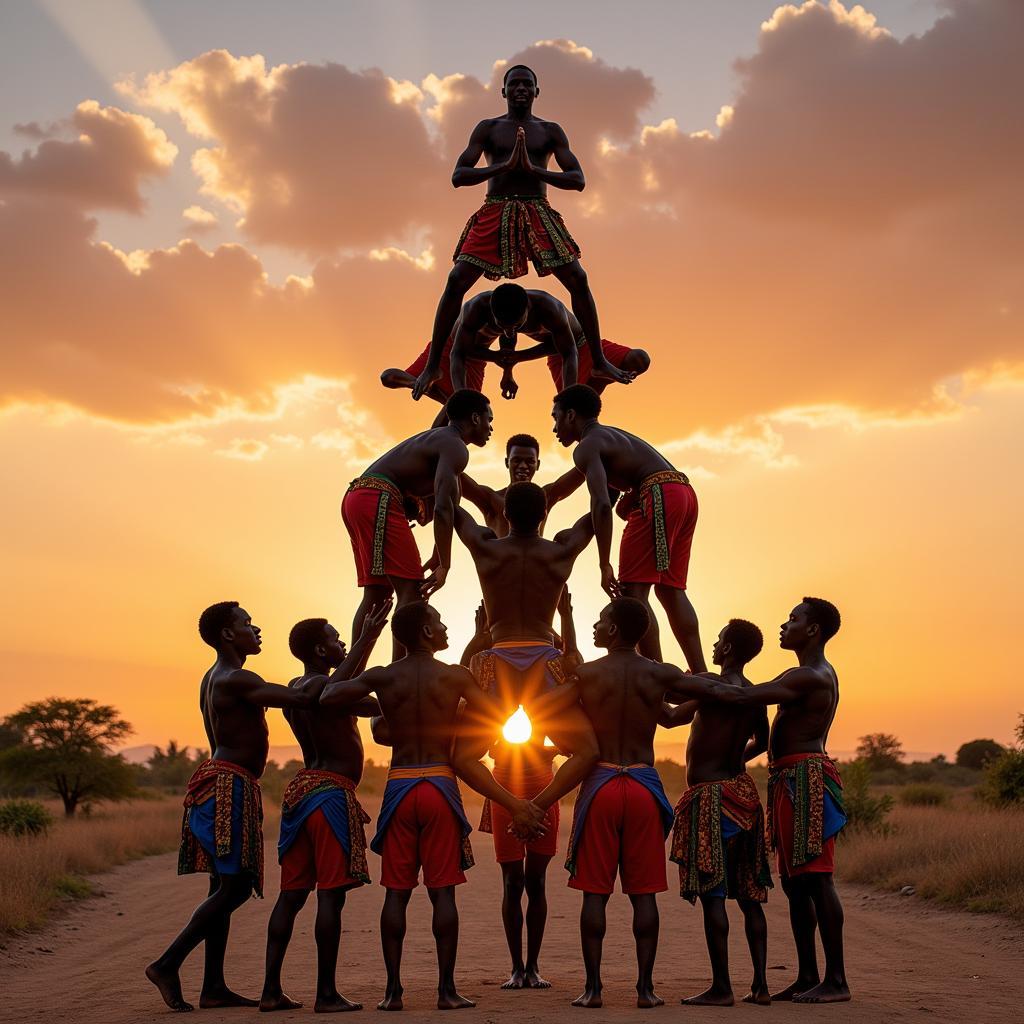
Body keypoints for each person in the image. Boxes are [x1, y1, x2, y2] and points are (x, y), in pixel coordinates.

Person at [319, 603, 548, 1011]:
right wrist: (460, 711)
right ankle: (445, 991)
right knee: (443, 893)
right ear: (426, 631)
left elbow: (330, 694)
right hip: (440, 785)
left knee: (397, 892)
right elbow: (497, 711)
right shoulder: (454, 677)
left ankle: (392, 993)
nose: (444, 628)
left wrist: (366, 641)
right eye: (440, 623)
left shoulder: (384, 676)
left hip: (400, 786)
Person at [411, 64, 633, 401]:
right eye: (513, 84)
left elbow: (578, 179)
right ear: (503, 91)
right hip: (496, 207)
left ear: (536, 91)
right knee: (456, 281)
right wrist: (502, 167)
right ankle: (432, 366)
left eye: (527, 84)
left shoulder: (550, 131)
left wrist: (533, 170)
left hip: (537, 209)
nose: (520, 89)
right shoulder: (488, 128)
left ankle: (599, 360)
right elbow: (459, 175)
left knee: (578, 279)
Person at [146, 602, 326, 1013]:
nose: (256, 628)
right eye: (247, 624)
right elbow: (300, 697)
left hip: (219, 782)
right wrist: (357, 652)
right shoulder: (236, 678)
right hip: (229, 786)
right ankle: (167, 963)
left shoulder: (212, 677)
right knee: (236, 886)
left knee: (221, 886)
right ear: (227, 635)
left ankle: (213, 987)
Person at [454, 482, 600, 988]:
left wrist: (449, 462)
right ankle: (530, 968)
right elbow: (600, 514)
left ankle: (519, 969)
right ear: (544, 514)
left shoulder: (487, 548)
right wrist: (603, 472)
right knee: (586, 747)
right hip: (544, 656)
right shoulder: (560, 548)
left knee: (466, 752)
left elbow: (452, 507)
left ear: (502, 512)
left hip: (498, 655)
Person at [557, 599, 727, 1009]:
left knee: (594, 895)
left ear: (614, 630)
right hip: (643, 785)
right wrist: (724, 689)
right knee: (643, 894)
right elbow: (696, 701)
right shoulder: (659, 674)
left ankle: (593, 989)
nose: (597, 627)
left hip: (600, 784)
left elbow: (552, 706)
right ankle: (645, 990)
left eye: (601, 621)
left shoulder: (588, 674)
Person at [708, 598, 849, 1004]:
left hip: (806, 778)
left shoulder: (812, 676)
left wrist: (690, 681)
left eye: (794, 620)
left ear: (814, 630)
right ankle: (808, 975)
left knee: (818, 878)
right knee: (794, 882)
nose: (784, 626)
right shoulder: (805, 672)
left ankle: (836, 979)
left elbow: (744, 699)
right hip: (789, 779)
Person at [260, 603, 391, 1013]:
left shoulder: (300, 689)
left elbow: (360, 695)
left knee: (291, 896)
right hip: (330, 796)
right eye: (336, 639)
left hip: (300, 794)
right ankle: (327, 994)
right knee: (329, 899)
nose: (343, 643)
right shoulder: (319, 689)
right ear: (319, 650)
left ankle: (270, 992)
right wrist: (369, 638)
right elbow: (344, 687)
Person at [552, 384, 706, 671]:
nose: (555, 427)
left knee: (633, 592)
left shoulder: (587, 446)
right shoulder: (611, 436)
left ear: (571, 415)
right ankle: (700, 672)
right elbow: (614, 496)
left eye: (556, 417)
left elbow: (600, 506)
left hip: (658, 494)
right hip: (682, 492)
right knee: (670, 590)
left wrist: (603, 564)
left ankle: (656, 674)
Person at [664, 619, 773, 1006]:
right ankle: (760, 986)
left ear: (727, 649)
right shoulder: (755, 695)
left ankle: (722, 987)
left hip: (709, 798)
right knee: (749, 896)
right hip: (743, 794)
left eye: (718, 640)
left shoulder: (710, 686)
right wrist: (734, 761)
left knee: (714, 895)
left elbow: (669, 715)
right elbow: (763, 741)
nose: (712, 644)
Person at [342, 389, 493, 655]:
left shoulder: (439, 439)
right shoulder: (454, 446)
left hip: (359, 497)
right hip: (379, 498)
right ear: (475, 418)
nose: (491, 427)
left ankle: (350, 676)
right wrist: (445, 564)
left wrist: (438, 553)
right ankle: (404, 674)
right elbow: (445, 507)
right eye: (489, 419)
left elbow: (447, 504)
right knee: (411, 593)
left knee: (377, 594)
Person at [447, 284, 649, 399]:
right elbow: (458, 353)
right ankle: (594, 383)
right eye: (502, 326)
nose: (508, 332)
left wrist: (567, 396)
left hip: (577, 346)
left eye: (516, 326)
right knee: (577, 414)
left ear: (528, 308)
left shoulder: (549, 307)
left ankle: (597, 371)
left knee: (640, 360)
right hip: (557, 355)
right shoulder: (475, 308)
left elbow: (570, 352)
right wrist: (507, 374)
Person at [460, 432, 582, 538]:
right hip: (500, 563)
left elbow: (584, 466)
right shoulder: (492, 500)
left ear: (537, 464)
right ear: (507, 462)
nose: (523, 466)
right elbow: (449, 467)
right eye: (517, 460)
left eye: (530, 461)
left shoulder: (545, 497)